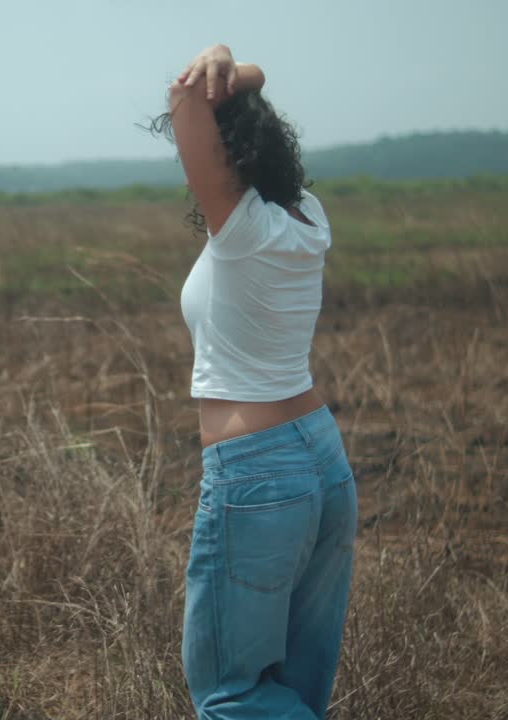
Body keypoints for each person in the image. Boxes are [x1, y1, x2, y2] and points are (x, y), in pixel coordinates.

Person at [152, 44, 358, 719]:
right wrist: (244, 76)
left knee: (229, 694)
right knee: (296, 690)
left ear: (229, 154)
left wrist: (221, 61)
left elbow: (183, 99)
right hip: (322, 461)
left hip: (257, 476)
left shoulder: (240, 228)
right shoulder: (306, 217)